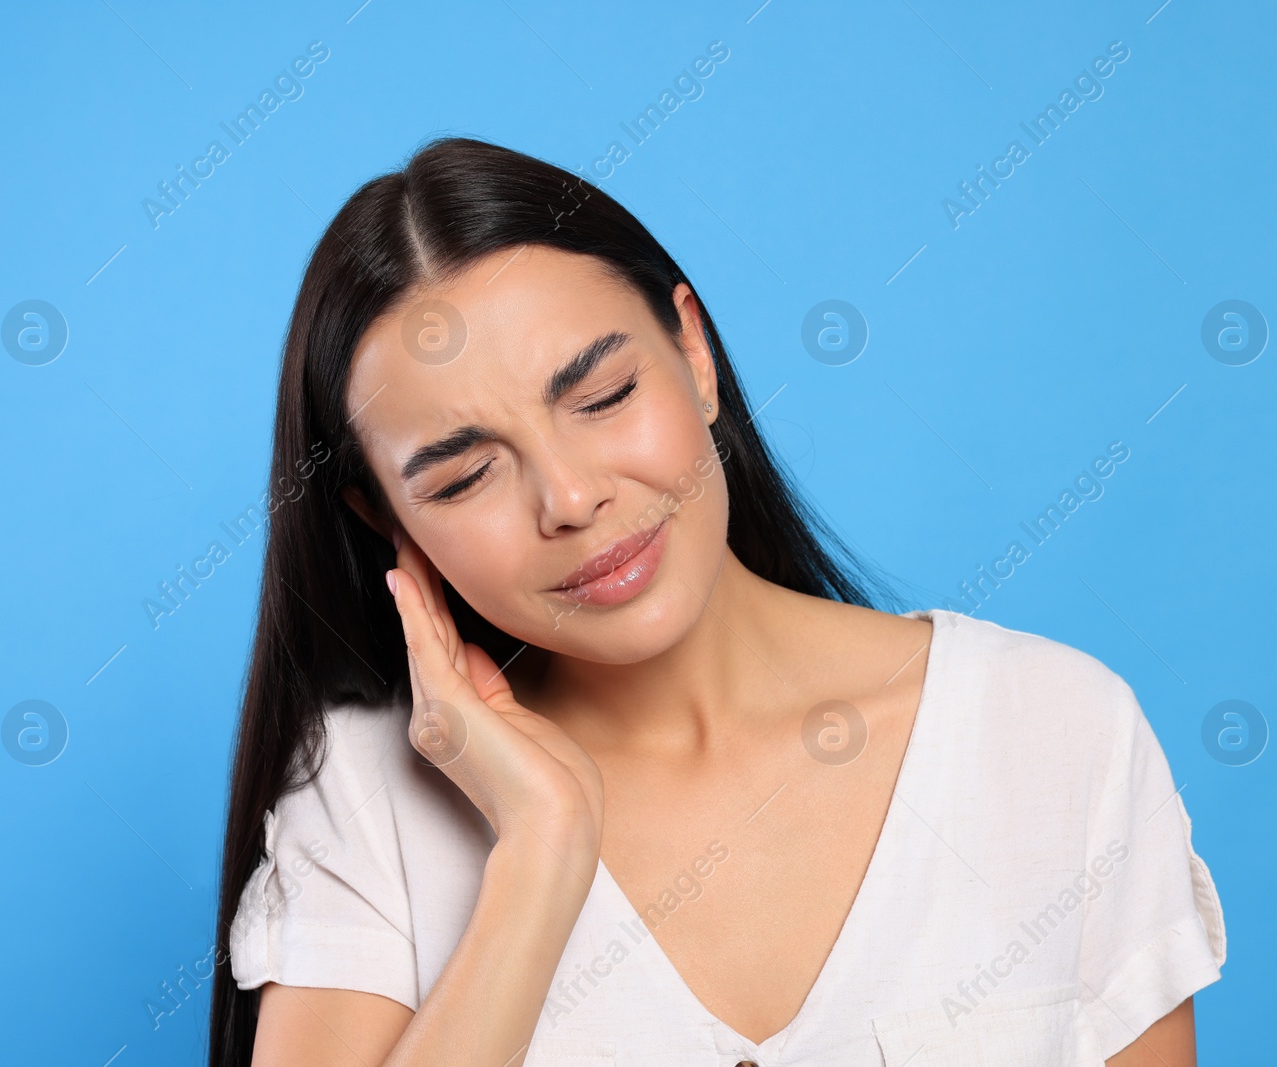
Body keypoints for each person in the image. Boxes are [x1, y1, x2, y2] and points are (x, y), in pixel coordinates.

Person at [207, 136, 1225, 1067]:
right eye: (465, 474)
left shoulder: (1050, 732)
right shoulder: (369, 798)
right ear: (387, 521)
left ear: (692, 355)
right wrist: (542, 849)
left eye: (603, 399)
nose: (570, 499)